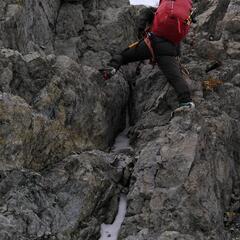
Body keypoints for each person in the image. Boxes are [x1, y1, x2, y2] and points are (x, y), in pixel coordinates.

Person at [101, 1, 195, 112]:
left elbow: (144, 17)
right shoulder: (180, 17)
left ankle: (112, 68)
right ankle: (186, 101)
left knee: (124, 55)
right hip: (169, 50)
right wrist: (176, 56)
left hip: (152, 42)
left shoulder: (155, 11)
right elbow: (177, 43)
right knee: (175, 77)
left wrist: (141, 29)